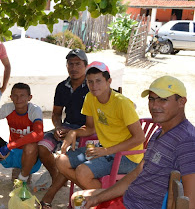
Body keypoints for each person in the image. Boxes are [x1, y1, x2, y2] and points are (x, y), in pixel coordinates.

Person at [51, 76, 195, 209]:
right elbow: (138, 172)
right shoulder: (161, 132)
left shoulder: (190, 142)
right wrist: (100, 197)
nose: (155, 106)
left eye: (163, 99)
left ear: (181, 102)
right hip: (131, 202)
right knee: (80, 198)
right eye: (152, 99)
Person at [56, 61, 145, 190]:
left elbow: (139, 138)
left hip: (128, 156)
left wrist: (106, 151)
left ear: (109, 81)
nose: (94, 86)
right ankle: (103, 194)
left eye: (98, 81)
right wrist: (73, 132)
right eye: (90, 82)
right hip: (103, 149)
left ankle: (103, 196)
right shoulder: (90, 98)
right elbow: (90, 128)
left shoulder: (122, 103)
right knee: (61, 161)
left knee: (82, 172)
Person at [38, 49, 90, 209]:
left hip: (87, 131)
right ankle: (58, 177)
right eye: (70, 64)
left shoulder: (92, 85)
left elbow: (94, 123)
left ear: (86, 66)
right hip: (67, 126)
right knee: (41, 146)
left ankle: (49, 195)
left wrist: (75, 132)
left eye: (78, 64)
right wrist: (58, 127)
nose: (74, 68)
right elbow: (56, 114)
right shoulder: (62, 87)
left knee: (65, 156)